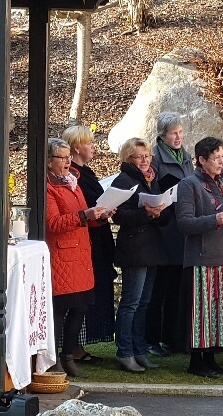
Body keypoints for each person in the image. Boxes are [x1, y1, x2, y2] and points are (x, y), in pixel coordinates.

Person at [175, 137, 223, 377]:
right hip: (202, 258)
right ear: (202, 160)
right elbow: (184, 223)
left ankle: (211, 358)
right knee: (201, 313)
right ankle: (196, 362)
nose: (221, 162)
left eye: (222, 157)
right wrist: (213, 220)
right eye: (216, 158)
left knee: (218, 312)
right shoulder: (189, 184)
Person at [44, 137, 111, 378]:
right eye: (61, 158)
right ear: (48, 161)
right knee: (60, 311)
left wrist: (100, 216)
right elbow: (53, 223)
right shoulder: (48, 187)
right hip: (62, 255)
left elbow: (84, 217)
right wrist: (84, 215)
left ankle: (68, 356)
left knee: (80, 307)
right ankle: (52, 359)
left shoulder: (73, 182)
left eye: (68, 157)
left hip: (81, 255)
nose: (67, 162)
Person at [109, 137, 172, 373]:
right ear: (128, 158)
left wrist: (159, 213)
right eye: (139, 156)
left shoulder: (152, 178)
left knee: (144, 303)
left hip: (152, 248)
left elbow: (165, 215)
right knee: (131, 303)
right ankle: (125, 351)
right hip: (134, 249)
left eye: (147, 156)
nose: (145, 160)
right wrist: (146, 213)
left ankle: (139, 349)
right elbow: (119, 216)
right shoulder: (124, 180)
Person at [63, 124, 116, 362]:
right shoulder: (73, 176)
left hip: (97, 236)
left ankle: (77, 345)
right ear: (76, 147)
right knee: (81, 296)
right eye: (89, 143)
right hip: (86, 239)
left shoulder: (87, 172)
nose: (94, 147)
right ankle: (72, 346)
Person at [148, 111, 191, 355]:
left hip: (182, 228)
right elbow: (152, 189)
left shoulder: (186, 157)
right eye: (174, 133)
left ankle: (173, 337)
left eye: (181, 132)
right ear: (163, 135)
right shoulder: (155, 158)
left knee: (177, 288)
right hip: (164, 229)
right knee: (159, 289)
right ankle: (152, 339)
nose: (178, 137)